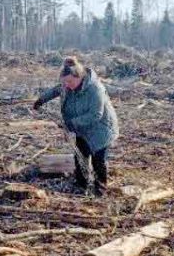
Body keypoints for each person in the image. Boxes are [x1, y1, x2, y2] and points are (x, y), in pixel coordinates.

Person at [33, 56, 119, 195]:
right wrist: (41, 100)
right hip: (81, 127)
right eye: (64, 82)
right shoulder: (68, 85)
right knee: (80, 156)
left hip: (101, 129)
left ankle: (100, 188)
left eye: (69, 82)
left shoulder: (95, 89)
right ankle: (81, 185)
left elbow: (96, 114)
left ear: (79, 77)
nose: (66, 85)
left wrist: (72, 123)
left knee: (98, 160)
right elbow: (56, 90)